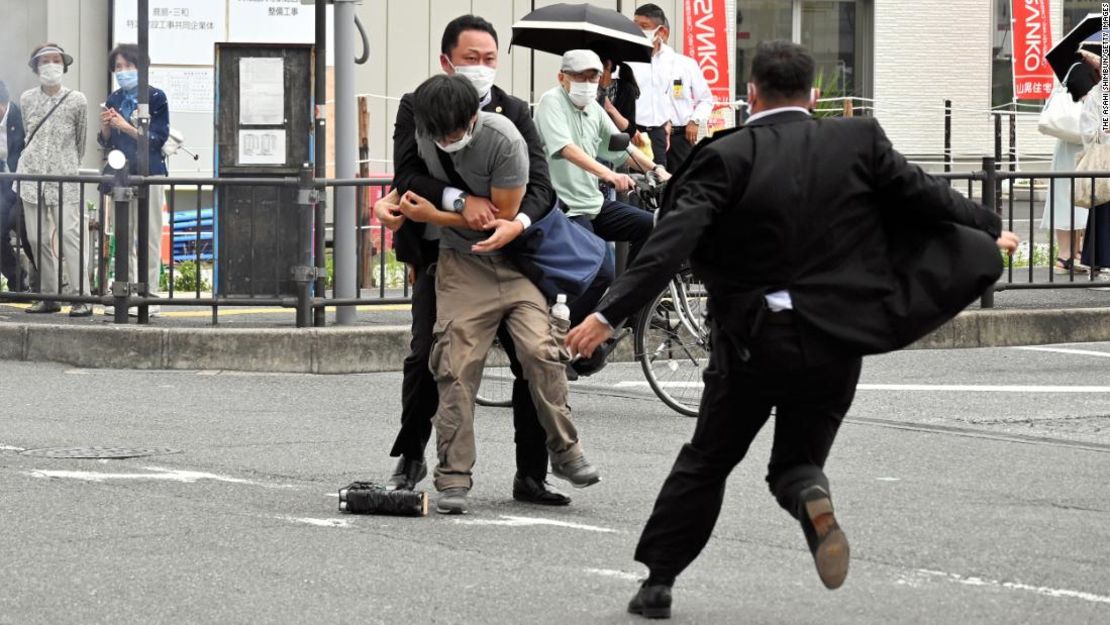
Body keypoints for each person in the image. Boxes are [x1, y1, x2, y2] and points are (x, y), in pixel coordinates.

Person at [566, 41, 1019, 619]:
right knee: (797, 463)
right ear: (816, 96)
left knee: (708, 459)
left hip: (751, 340)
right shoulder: (858, 141)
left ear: (751, 95)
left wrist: (608, 315)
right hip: (837, 337)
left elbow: (668, 242)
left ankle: (658, 582)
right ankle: (808, 493)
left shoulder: (726, 156)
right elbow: (928, 196)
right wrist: (990, 229)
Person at [374, 15, 574, 507]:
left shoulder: (515, 113)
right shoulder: (416, 104)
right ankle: (413, 457)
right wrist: (460, 202)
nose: (481, 68)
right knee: (428, 358)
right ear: (447, 61)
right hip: (443, 256)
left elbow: (543, 186)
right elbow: (408, 172)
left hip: (512, 260)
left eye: (488, 59)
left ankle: (532, 473)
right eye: (470, 59)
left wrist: (516, 222)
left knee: (535, 359)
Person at [533, 49, 667, 328]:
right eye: (580, 77)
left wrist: (656, 170)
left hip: (592, 203)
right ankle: (567, 332)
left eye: (593, 78)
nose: (587, 83)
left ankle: (627, 302)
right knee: (600, 271)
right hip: (564, 208)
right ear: (562, 78)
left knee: (651, 225)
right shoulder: (551, 103)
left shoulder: (594, 109)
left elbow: (624, 148)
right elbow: (566, 149)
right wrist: (608, 174)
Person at [18, 43, 90, 316]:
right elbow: (29, 133)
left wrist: (68, 164)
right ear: (36, 68)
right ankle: (49, 296)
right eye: (44, 61)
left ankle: (81, 296)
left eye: (55, 60)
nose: (50, 65)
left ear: (64, 65)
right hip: (32, 176)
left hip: (65, 177)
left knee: (69, 236)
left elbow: (80, 141)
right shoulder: (26, 99)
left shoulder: (77, 100)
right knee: (36, 239)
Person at [99, 43, 170, 316]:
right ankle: (124, 291)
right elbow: (106, 141)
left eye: (129, 66)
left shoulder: (156, 97)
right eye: (118, 67)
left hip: (150, 172)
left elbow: (157, 139)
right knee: (123, 234)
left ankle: (148, 294)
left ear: (142, 68)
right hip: (122, 173)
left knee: (149, 234)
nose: (123, 71)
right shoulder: (114, 98)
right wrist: (106, 125)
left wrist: (125, 127)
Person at [630, 4, 713, 171]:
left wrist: (695, 120)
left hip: (681, 137)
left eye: (644, 26)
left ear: (662, 32)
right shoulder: (630, 62)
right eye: (635, 25)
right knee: (649, 187)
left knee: (680, 186)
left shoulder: (684, 64)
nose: (638, 30)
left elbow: (706, 99)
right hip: (645, 136)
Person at [1039, 59, 1094, 273]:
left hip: (1079, 148)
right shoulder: (1081, 71)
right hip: (1075, 149)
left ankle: (1074, 254)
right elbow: (1091, 108)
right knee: (1068, 200)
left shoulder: (1085, 72)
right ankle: (1065, 256)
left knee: (1078, 201)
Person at [1078, 50, 1110, 277]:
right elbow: (1087, 132)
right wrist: (1102, 131)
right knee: (1104, 213)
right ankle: (1100, 266)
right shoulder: (1095, 97)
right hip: (1105, 164)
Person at [0, 80, 30, 291]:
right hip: (2, 190)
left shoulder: (20, 119)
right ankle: (17, 282)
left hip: (22, 188)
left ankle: (49, 285)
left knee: (31, 237)